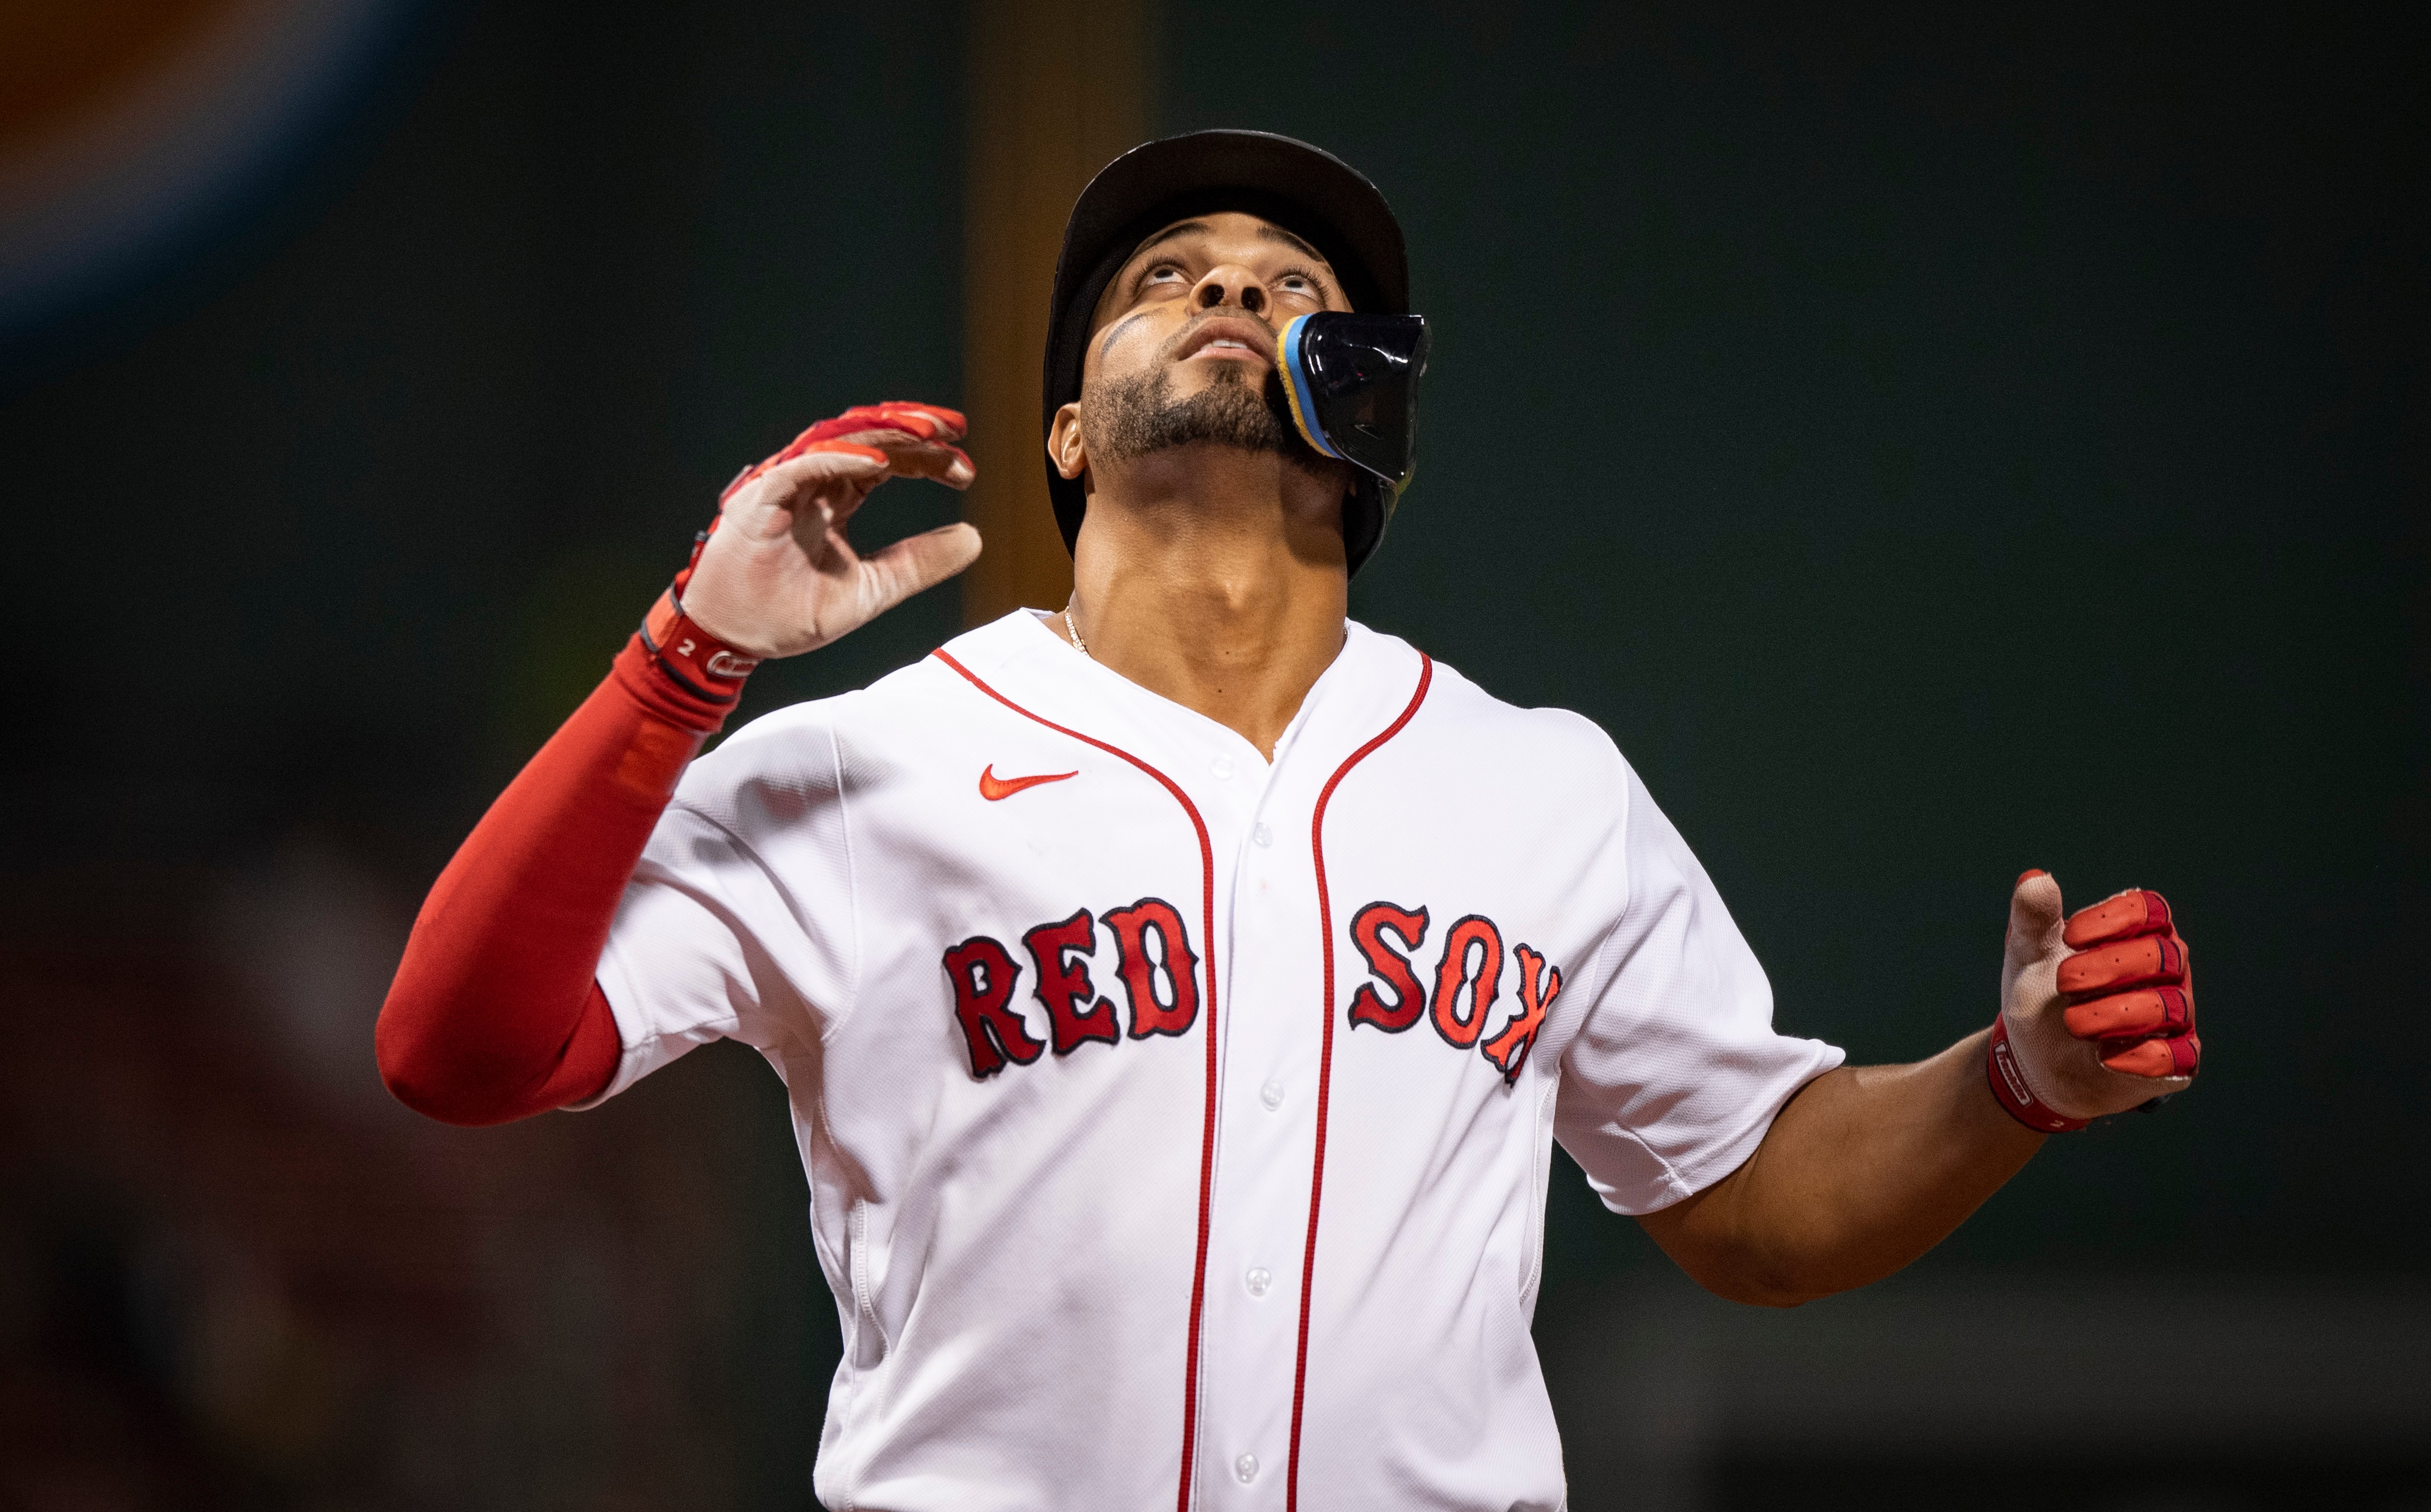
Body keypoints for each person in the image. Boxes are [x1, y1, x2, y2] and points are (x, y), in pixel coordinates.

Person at [376, 131, 2200, 1510]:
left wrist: (2014, 1081)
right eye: (1164, 274)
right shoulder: (870, 763)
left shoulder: (1536, 784)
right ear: (1071, 435)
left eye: (1290, 285)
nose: (1231, 290)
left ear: (1370, 417)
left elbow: (1758, 1205)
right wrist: (684, 659)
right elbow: (455, 1052)